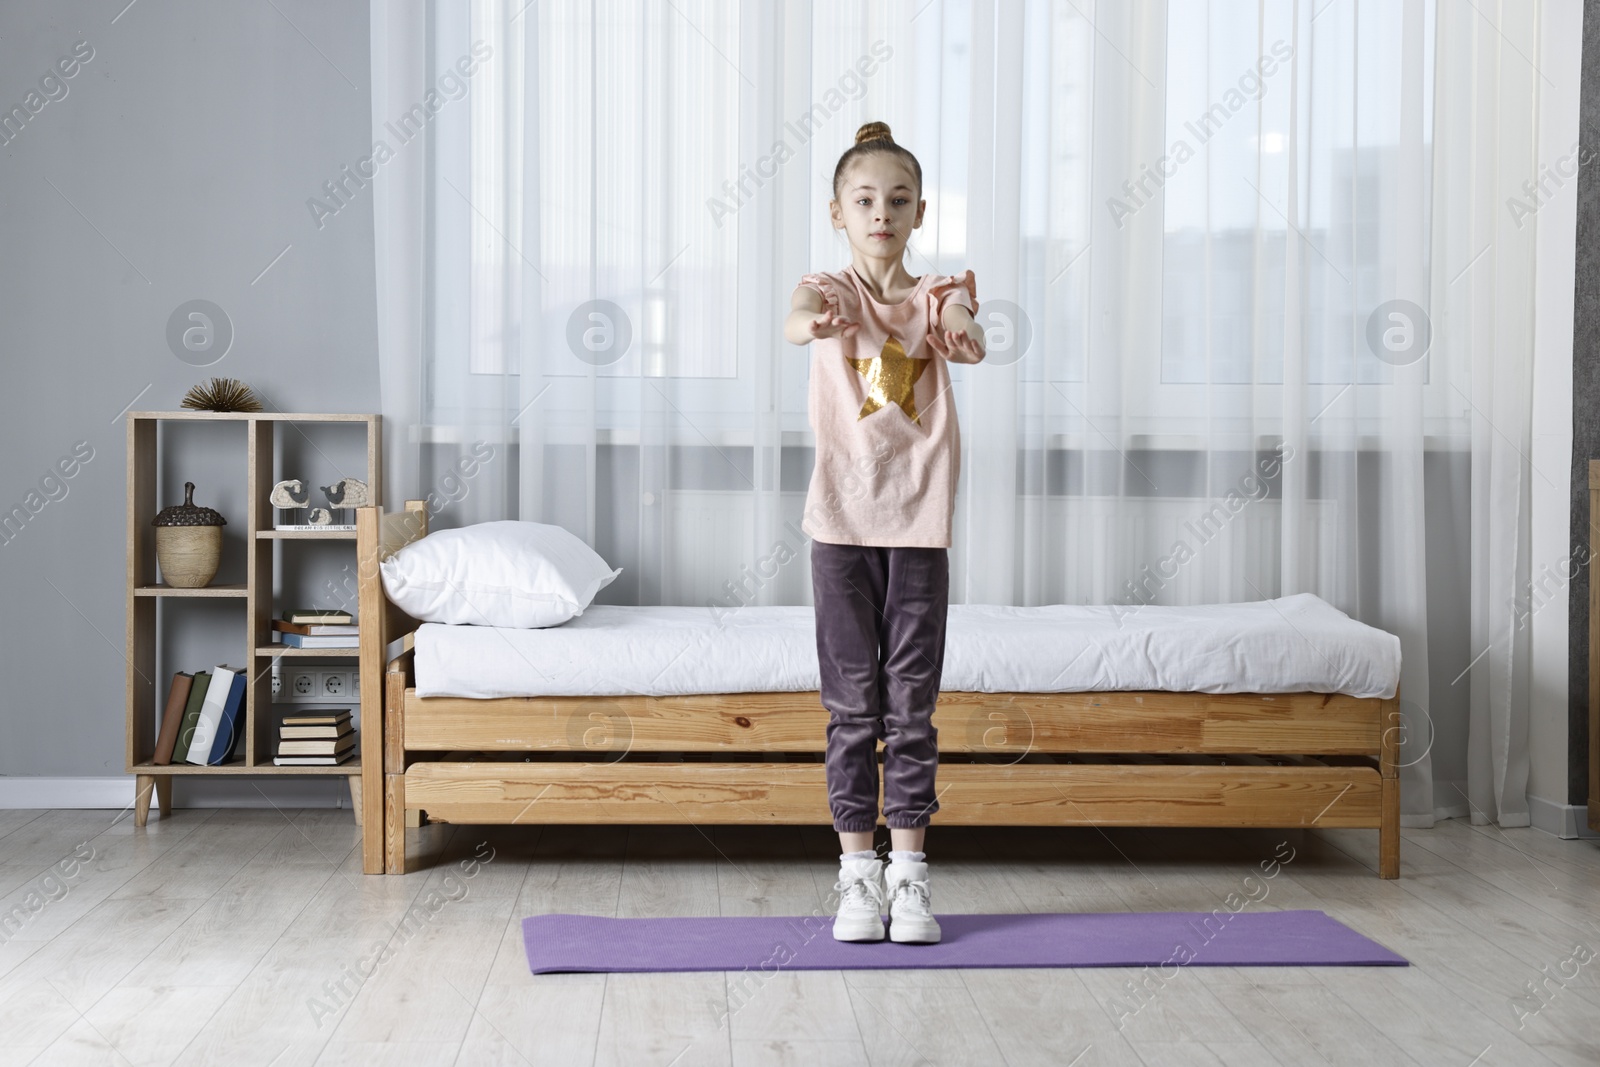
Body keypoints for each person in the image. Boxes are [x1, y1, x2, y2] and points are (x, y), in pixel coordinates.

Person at [782, 120, 985, 943]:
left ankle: (910, 877)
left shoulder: (934, 295)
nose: (881, 212)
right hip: (839, 526)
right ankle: (856, 877)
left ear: (919, 211)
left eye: (898, 200)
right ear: (838, 210)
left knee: (913, 707)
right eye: (865, 199)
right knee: (851, 708)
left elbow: (967, 328)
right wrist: (814, 328)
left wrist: (966, 328)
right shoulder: (831, 291)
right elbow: (799, 317)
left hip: (918, 528)